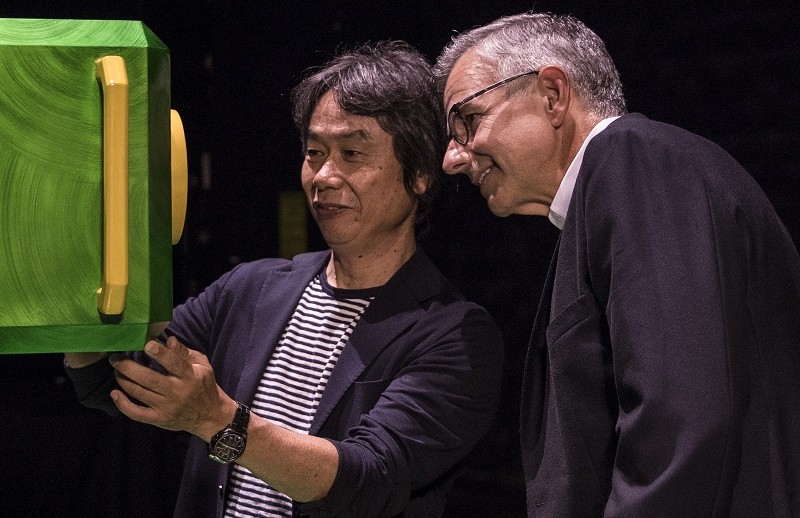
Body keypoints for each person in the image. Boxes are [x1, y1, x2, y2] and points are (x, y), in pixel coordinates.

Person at [65, 40, 504, 518]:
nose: (324, 176)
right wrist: (70, 271)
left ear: (420, 174)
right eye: (314, 152)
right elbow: (115, 382)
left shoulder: (456, 335)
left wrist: (217, 419)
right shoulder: (250, 289)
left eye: (352, 153)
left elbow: (368, 478)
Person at [434, 12, 800, 518]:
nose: (452, 159)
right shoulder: (621, 184)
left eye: (467, 122)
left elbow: (681, 420)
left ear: (553, 94)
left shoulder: (633, 158)